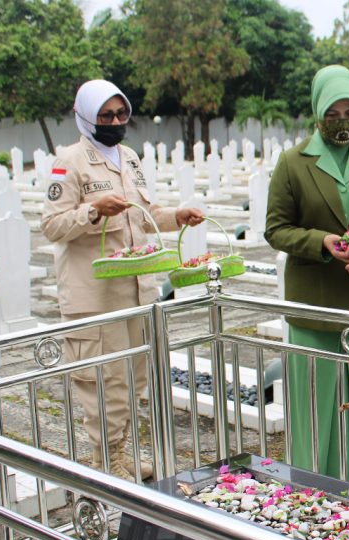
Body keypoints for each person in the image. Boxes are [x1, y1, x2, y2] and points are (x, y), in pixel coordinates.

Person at [41, 80, 204, 482]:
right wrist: (92, 212)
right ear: (85, 117)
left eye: (121, 114)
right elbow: (51, 226)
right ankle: (106, 460)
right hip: (95, 294)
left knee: (134, 379)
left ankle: (122, 452)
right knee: (104, 384)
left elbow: (143, 214)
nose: (115, 122)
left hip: (136, 289)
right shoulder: (69, 162)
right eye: (106, 116)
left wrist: (176, 216)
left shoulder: (128, 157)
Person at [264, 65, 349, 485]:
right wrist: (322, 243)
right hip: (313, 306)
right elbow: (276, 228)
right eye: (333, 113)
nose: (343, 122)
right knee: (315, 403)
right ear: (317, 112)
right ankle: (312, 486)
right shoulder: (294, 162)